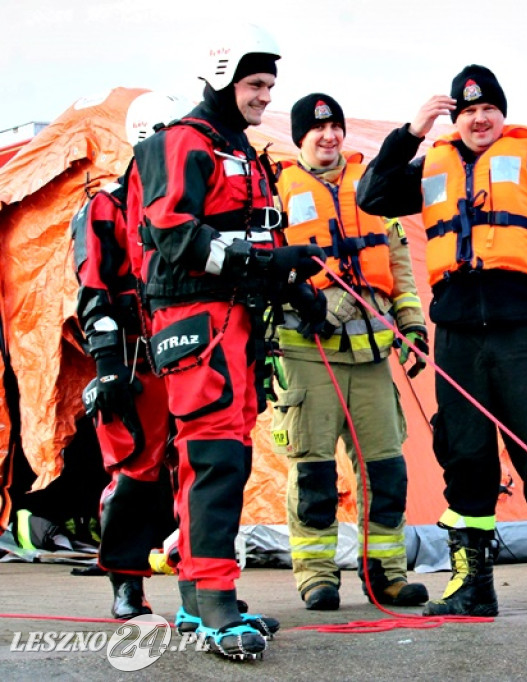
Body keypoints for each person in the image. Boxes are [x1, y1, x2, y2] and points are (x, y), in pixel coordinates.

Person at [356, 65, 527, 617]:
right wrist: (410, 132)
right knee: (464, 454)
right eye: (468, 111)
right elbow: (372, 195)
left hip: (522, 332)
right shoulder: (431, 163)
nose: (478, 119)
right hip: (457, 336)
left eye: (487, 109)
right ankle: (472, 586)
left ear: (502, 113)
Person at [127, 24, 325, 659]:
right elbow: (176, 238)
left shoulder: (238, 149)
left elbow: (250, 232)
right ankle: (214, 599)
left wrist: (293, 283)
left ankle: (199, 597)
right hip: (196, 323)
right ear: (222, 76)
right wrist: (266, 264)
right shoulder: (179, 143)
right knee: (214, 458)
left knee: (222, 457)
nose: (266, 95)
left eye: (270, 84)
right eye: (255, 83)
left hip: (237, 323)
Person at [270, 92, 429, 610]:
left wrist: (413, 324)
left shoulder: (372, 185)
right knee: (314, 473)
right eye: (316, 129)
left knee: (386, 471)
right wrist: (305, 296)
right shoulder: (275, 190)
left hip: (372, 354)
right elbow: (265, 267)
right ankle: (316, 577)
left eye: (335, 126)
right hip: (307, 353)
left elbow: (398, 264)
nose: (328, 136)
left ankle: (387, 574)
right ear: (300, 137)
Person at [72, 91, 189, 620]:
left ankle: (203, 588)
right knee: (135, 472)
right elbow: (93, 288)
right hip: (136, 361)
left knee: (202, 470)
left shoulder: (192, 206)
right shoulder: (106, 207)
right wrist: (107, 365)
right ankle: (126, 583)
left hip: (191, 356)